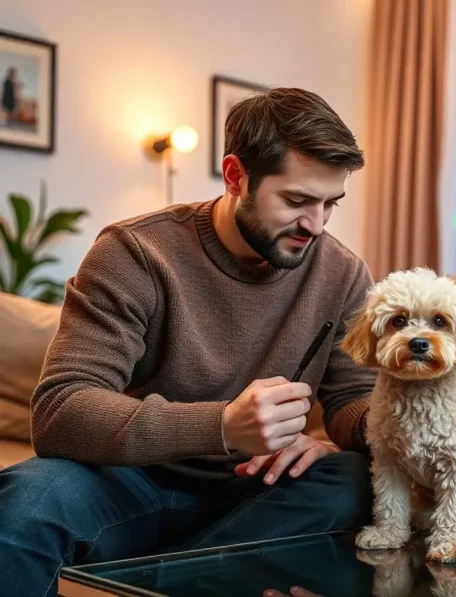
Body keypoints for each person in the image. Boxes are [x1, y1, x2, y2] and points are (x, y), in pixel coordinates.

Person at [0, 87, 378, 597]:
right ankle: (204, 574)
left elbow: (353, 399)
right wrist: (223, 425)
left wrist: (395, 420)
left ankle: (159, 580)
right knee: (28, 500)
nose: (315, 224)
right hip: (129, 480)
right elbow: (60, 412)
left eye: (330, 203)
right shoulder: (135, 253)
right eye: (296, 200)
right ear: (235, 175)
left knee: (355, 478)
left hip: (256, 491)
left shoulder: (343, 273)